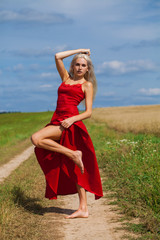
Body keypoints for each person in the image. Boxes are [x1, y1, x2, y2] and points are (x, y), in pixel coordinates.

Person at [31, 49, 103, 219]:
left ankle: (83, 207)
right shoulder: (65, 78)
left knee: (36, 138)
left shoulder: (87, 85)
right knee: (74, 164)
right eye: (77, 64)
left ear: (88, 69)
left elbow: (88, 112)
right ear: (72, 66)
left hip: (70, 124)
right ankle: (83, 208)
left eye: (83, 65)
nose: (79, 67)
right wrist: (81, 50)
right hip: (57, 119)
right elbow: (57, 56)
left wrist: (72, 120)